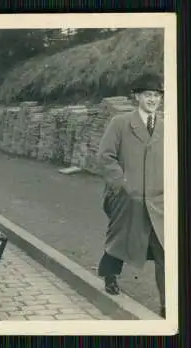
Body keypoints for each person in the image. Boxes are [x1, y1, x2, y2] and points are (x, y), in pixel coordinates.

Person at [97, 73, 165, 318]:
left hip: (158, 201)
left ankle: (167, 305)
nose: (153, 100)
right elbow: (105, 156)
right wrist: (121, 184)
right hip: (127, 197)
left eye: (157, 95)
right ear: (137, 96)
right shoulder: (120, 123)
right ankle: (110, 276)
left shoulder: (167, 126)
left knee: (164, 251)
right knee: (121, 241)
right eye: (148, 95)